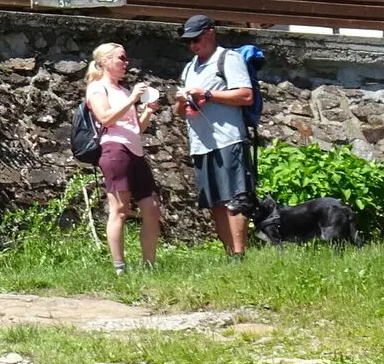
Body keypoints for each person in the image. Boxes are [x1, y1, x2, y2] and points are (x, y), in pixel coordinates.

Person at [177, 15, 258, 259]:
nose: (193, 45)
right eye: (188, 41)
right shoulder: (190, 67)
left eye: (197, 39)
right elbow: (180, 112)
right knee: (215, 204)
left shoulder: (228, 59)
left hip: (228, 139)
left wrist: (208, 94)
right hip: (201, 143)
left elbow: (246, 96)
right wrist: (182, 102)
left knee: (234, 200)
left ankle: (240, 255)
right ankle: (229, 255)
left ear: (211, 32)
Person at [85, 43, 165, 274]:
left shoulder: (120, 90)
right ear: (105, 62)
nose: (125, 63)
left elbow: (135, 128)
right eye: (121, 58)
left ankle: (150, 265)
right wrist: (132, 100)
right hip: (114, 150)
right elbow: (105, 118)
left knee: (151, 208)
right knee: (119, 209)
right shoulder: (97, 88)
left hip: (134, 151)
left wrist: (148, 110)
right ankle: (120, 267)